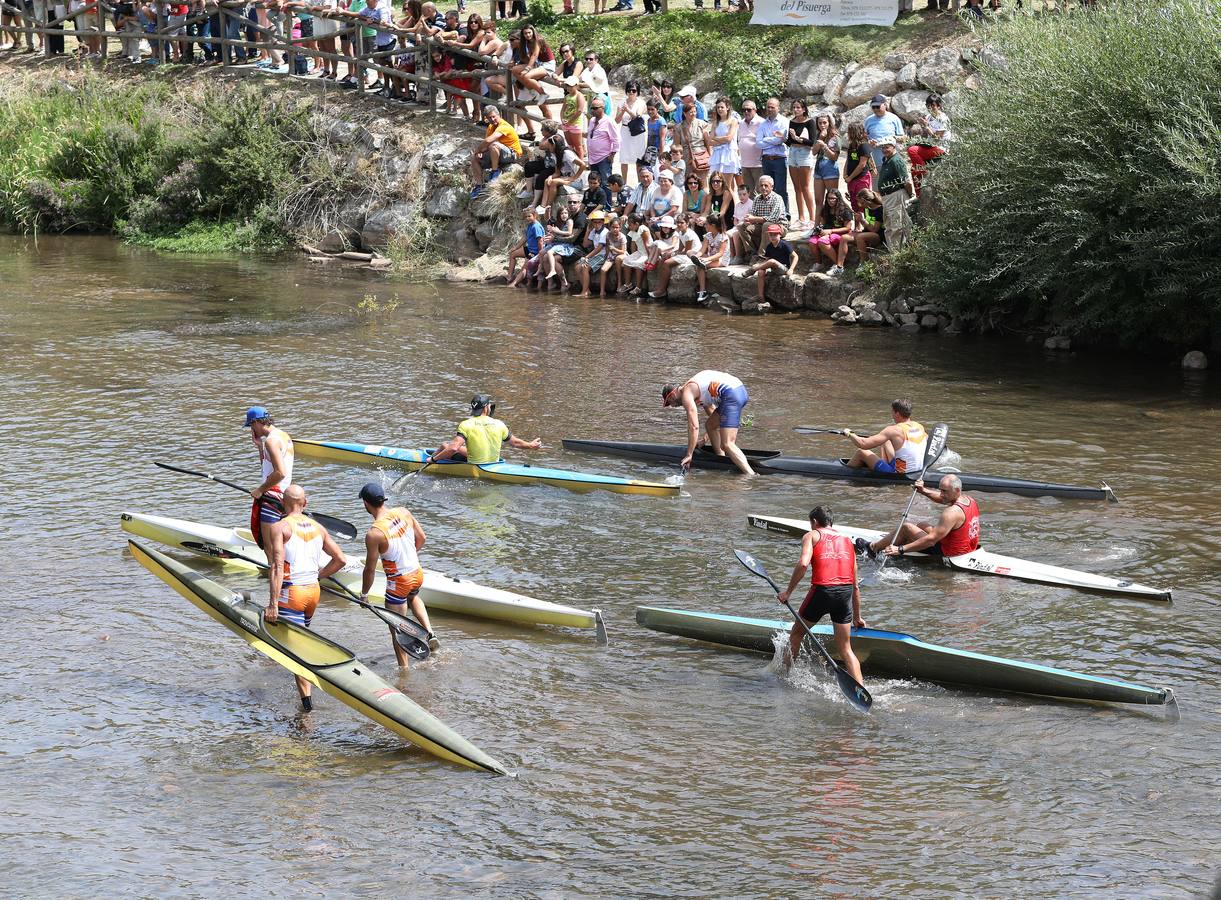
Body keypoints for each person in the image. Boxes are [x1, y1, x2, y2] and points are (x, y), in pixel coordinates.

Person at [266, 485, 348, 710]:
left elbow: (276, 567)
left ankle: (307, 710)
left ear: (283, 503)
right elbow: (340, 559)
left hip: (291, 593)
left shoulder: (279, 527)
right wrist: (319, 576)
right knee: (300, 640)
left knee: (298, 654)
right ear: (306, 503)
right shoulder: (319, 528)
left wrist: (273, 604)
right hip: (313, 592)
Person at [775, 506, 866, 683]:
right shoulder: (848, 541)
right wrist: (858, 617)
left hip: (822, 592)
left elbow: (803, 565)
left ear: (814, 522)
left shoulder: (812, 535)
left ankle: (782, 679)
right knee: (846, 648)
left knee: (796, 635)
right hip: (845, 593)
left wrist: (788, 592)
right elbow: (855, 585)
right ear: (831, 522)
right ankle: (861, 690)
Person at [357, 482, 438, 664]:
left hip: (399, 582)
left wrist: (364, 595)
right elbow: (422, 538)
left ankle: (404, 671)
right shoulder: (403, 512)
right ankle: (430, 632)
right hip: (416, 573)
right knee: (414, 597)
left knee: (397, 629)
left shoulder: (374, 533)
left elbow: (369, 569)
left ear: (366, 504)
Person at [860, 475, 981, 564]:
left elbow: (931, 540)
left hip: (950, 552)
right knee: (921, 524)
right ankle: (902, 540)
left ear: (957, 490)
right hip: (967, 547)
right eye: (940, 490)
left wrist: (900, 550)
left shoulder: (951, 512)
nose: (941, 494)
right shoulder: (969, 500)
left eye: (944, 491)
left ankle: (873, 548)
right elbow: (943, 499)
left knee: (906, 527)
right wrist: (923, 491)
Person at [661, 370, 755, 474]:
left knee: (727, 444)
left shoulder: (686, 394)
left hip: (731, 394)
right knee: (710, 425)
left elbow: (693, 426)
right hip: (738, 390)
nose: (673, 406)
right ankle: (722, 460)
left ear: (672, 395)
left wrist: (689, 454)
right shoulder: (700, 393)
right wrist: (704, 440)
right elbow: (714, 420)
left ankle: (751, 475)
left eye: (670, 403)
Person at [433, 394, 542, 465]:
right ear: (486, 408)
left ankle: (429, 458)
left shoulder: (466, 424)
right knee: (449, 446)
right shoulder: (499, 424)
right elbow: (516, 443)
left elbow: (453, 448)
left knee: (446, 445)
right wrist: (531, 445)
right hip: (493, 464)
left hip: (476, 464)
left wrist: (432, 460)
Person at [244, 406, 294, 551]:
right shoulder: (284, 436)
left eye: (250, 426)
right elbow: (267, 468)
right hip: (283, 496)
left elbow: (280, 473)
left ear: (255, 422)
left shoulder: (271, 441)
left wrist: (260, 490)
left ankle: (274, 572)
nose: (251, 430)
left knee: (270, 547)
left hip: (272, 497)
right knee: (280, 545)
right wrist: (259, 446)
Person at [844, 398, 928, 473]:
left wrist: (850, 434)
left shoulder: (893, 430)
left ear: (897, 414)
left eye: (892, 411)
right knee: (886, 441)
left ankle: (844, 473)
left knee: (861, 452)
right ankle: (882, 468)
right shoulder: (919, 426)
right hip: (917, 471)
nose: (891, 414)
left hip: (900, 474)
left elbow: (863, 444)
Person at [469, 104, 521, 197]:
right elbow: (486, 144)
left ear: (498, 115)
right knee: (474, 158)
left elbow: (489, 140)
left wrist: (478, 150)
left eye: (494, 117)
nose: (492, 119)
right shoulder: (490, 127)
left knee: (494, 145)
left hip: (512, 154)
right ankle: (479, 185)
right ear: (486, 118)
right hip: (498, 153)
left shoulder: (504, 126)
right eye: (490, 118)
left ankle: (495, 172)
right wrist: (480, 153)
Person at [733, 174, 787, 261]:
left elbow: (773, 219)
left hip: (779, 226)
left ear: (772, 187)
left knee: (767, 225)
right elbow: (752, 214)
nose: (763, 188)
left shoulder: (777, 198)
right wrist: (748, 220)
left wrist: (754, 219)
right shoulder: (757, 198)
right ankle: (752, 252)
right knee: (741, 226)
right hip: (761, 225)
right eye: (761, 185)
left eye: (766, 185)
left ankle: (762, 255)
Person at [875, 137, 914, 249]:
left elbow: (906, 181)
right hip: (887, 197)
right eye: (882, 147)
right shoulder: (887, 160)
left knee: (897, 225)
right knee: (889, 225)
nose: (884, 150)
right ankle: (893, 250)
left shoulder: (896, 160)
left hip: (896, 195)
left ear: (893, 146)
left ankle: (898, 252)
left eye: (887, 147)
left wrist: (910, 195)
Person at [784, 98, 816, 229]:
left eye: (798, 107)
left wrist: (797, 139)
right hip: (793, 153)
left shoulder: (810, 122)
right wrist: (784, 138)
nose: (796, 110)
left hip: (804, 154)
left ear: (804, 109)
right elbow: (789, 142)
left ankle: (813, 218)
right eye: (794, 107)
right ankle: (801, 217)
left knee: (805, 187)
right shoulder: (791, 121)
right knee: (797, 187)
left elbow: (812, 142)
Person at [807, 190, 854, 277]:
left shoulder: (845, 211)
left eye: (833, 198)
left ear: (838, 199)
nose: (830, 200)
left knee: (822, 241)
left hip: (840, 233)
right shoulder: (825, 209)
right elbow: (823, 223)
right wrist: (820, 230)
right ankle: (819, 263)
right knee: (812, 241)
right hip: (827, 232)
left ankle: (837, 265)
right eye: (829, 198)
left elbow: (847, 228)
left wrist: (831, 231)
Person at [756, 96, 789, 212]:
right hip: (766, 160)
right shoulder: (763, 124)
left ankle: (785, 214)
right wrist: (772, 140)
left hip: (779, 159)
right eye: (768, 107)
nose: (769, 109)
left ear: (778, 108)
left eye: (772, 107)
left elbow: (780, 140)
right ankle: (771, 213)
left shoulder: (784, 121)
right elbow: (758, 143)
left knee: (780, 189)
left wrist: (766, 140)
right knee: (767, 189)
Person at [752, 223, 797, 304]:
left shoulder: (785, 244)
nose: (772, 237)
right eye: (771, 235)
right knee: (761, 271)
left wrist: (791, 269)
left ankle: (753, 269)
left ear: (780, 234)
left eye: (775, 235)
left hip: (784, 268)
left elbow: (796, 256)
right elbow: (767, 260)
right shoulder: (769, 246)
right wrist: (763, 268)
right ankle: (761, 296)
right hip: (774, 270)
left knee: (772, 261)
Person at [507, 206, 548, 287]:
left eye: (529, 216)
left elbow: (540, 241)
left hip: (535, 251)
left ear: (535, 215)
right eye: (526, 217)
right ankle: (509, 276)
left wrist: (540, 254)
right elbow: (525, 237)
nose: (527, 218)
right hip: (529, 249)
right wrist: (516, 247)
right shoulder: (530, 225)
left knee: (525, 267)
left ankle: (514, 283)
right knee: (512, 254)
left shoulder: (536, 227)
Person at [811, 113, 841, 222]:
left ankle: (834, 224)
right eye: (820, 123)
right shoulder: (818, 135)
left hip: (830, 169)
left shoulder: (835, 137)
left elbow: (834, 157)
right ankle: (816, 226)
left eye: (825, 122)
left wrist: (824, 146)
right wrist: (820, 139)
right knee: (818, 200)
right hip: (819, 169)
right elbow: (814, 152)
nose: (822, 125)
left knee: (833, 199)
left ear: (829, 123)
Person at [707, 97, 741, 194]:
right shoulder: (715, 123)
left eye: (722, 107)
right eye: (718, 108)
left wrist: (716, 139)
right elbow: (709, 141)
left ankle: (732, 207)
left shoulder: (733, 121)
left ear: (728, 107)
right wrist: (721, 139)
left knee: (728, 185)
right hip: (717, 154)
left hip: (728, 154)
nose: (720, 109)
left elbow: (729, 138)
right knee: (717, 185)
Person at [692, 213, 728, 303]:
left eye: (706, 224)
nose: (705, 226)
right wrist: (697, 256)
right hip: (710, 257)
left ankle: (702, 291)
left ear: (713, 225)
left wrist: (706, 259)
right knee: (691, 253)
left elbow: (720, 254)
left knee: (700, 266)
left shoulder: (723, 237)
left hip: (721, 260)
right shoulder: (708, 235)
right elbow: (702, 250)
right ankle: (696, 260)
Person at [863, 93, 905, 170]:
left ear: (885, 105)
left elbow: (902, 138)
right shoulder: (868, 120)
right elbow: (863, 137)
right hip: (875, 161)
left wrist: (889, 140)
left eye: (877, 106)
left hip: (892, 159)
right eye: (873, 107)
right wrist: (868, 142)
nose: (875, 109)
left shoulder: (894, 118)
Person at [616, 80, 649, 180]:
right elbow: (617, 120)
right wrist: (622, 112)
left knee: (638, 159)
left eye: (634, 90)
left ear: (637, 92)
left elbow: (637, 117)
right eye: (629, 90)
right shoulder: (621, 102)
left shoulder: (641, 103)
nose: (631, 92)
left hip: (637, 132)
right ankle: (624, 182)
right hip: (625, 131)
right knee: (624, 158)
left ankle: (640, 182)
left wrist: (628, 110)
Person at [586, 95, 620, 184]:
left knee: (606, 183)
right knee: (595, 183)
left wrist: (612, 155)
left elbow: (616, 140)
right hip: (593, 158)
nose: (593, 110)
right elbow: (590, 136)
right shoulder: (592, 120)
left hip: (604, 158)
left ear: (603, 108)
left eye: (595, 108)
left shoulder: (609, 121)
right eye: (591, 108)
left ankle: (607, 199)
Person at [843, 120, 876, 211]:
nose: (848, 134)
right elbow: (848, 160)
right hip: (852, 179)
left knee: (862, 201)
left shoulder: (864, 146)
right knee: (854, 202)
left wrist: (850, 177)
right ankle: (857, 225)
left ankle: (865, 223)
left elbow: (862, 164)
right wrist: (845, 174)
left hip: (861, 178)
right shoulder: (851, 145)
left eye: (850, 131)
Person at [736, 99, 763, 193]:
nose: (746, 112)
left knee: (761, 191)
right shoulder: (741, 123)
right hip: (744, 164)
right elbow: (739, 140)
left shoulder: (761, 123)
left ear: (755, 110)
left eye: (749, 109)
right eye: (744, 110)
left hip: (758, 164)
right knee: (749, 192)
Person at [852, 188, 885, 263]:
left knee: (859, 237)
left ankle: (863, 262)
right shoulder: (867, 208)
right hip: (868, 232)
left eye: (862, 203)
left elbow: (874, 230)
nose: (860, 205)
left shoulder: (880, 209)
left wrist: (862, 220)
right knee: (846, 237)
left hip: (879, 235)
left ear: (868, 201)